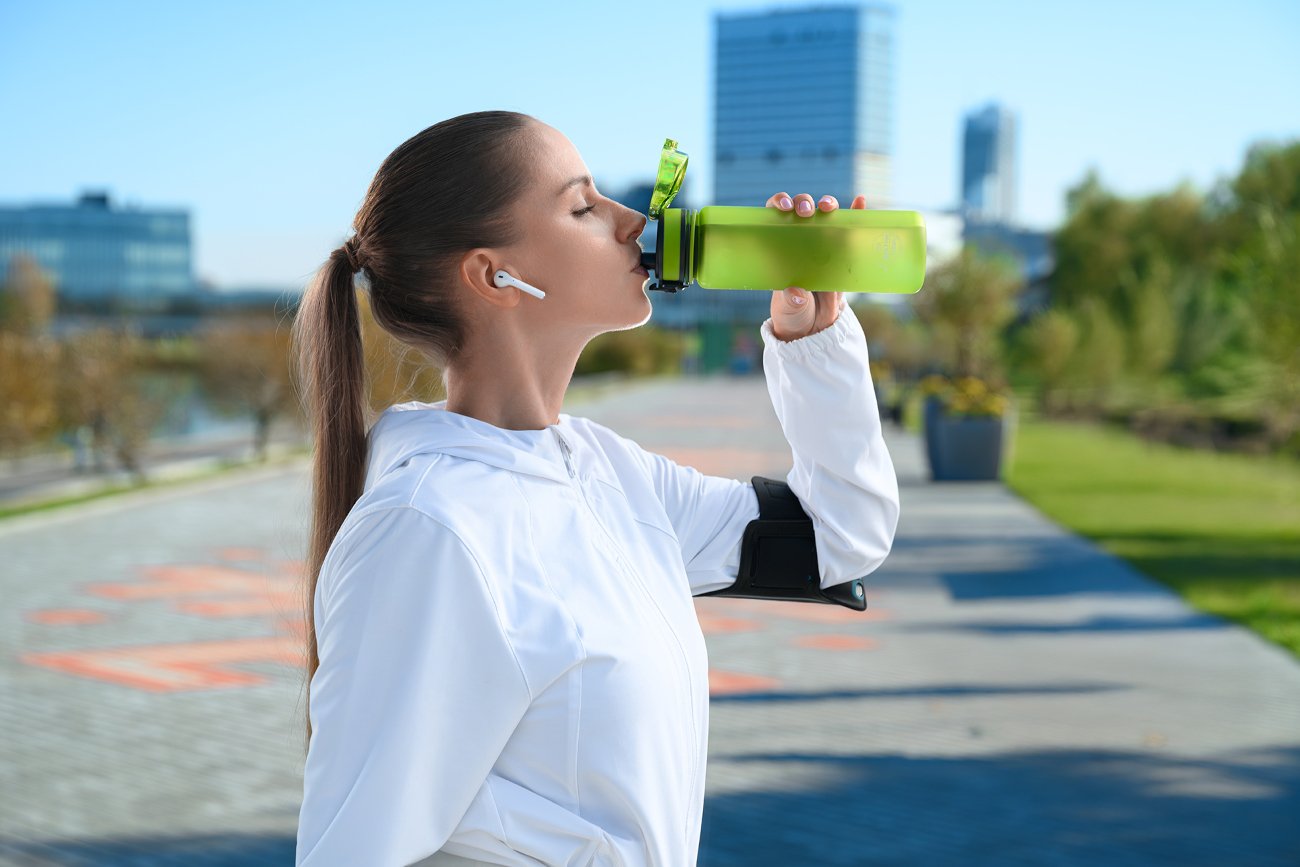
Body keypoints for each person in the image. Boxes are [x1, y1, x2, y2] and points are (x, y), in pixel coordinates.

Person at [292, 110, 901, 867]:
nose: (634, 221)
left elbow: (839, 536)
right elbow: (353, 849)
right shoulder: (428, 528)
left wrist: (812, 336)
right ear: (493, 276)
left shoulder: (612, 475)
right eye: (583, 206)